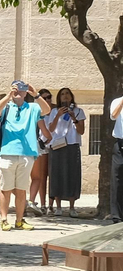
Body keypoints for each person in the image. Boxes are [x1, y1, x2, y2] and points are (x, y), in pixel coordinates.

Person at [0, 82, 50, 231]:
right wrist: (8, 95)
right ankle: (4, 219)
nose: (18, 91)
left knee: (21, 189)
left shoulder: (32, 107)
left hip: (27, 154)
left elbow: (47, 110)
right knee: (6, 188)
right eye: (15, 88)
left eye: (21, 89)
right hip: (7, 152)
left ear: (26, 92)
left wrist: (35, 94)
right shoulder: (7, 107)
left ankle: (19, 220)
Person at [42, 88, 86, 217]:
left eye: (67, 94)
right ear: (59, 98)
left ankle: (72, 207)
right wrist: (58, 116)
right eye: (62, 94)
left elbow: (81, 131)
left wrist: (74, 118)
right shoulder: (54, 111)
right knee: (57, 175)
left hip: (72, 145)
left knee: (72, 175)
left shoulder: (79, 111)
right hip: (57, 146)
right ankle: (58, 207)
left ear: (71, 97)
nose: (65, 96)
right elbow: (51, 128)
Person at [28, 88, 54, 215]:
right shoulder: (35, 113)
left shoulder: (14, 111)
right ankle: (31, 201)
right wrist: (49, 138)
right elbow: (45, 132)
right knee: (36, 178)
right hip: (33, 147)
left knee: (19, 178)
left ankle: (21, 203)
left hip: (17, 147)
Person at [110, 94, 123, 224]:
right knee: (117, 179)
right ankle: (116, 215)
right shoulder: (117, 101)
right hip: (120, 144)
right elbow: (113, 115)